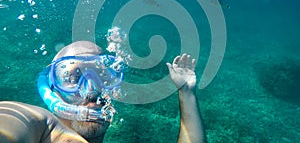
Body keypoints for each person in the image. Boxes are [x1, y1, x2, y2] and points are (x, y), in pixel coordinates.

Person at [0, 41, 206, 143]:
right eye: (72, 77)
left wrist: (187, 93)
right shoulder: (38, 125)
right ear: (51, 89)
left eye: (103, 75)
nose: (91, 90)